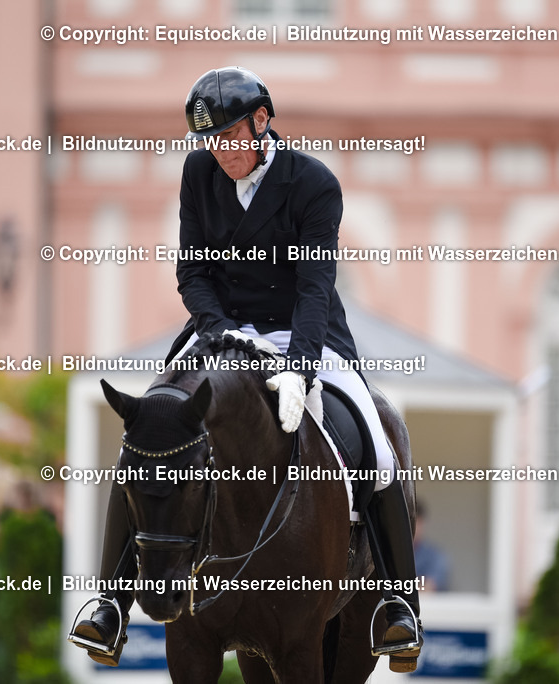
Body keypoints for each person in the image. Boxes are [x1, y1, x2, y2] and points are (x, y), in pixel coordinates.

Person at [72, 66, 423, 667]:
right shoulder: (198, 172)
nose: (223, 152)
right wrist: (215, 330)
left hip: (303, 333)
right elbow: (193, 271)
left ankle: (396, 601)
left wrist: (302, 365)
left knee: (377, 439)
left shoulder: (313, 183)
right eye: (212, 141)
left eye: (233, 136)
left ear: (262, 121)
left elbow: (315, 287)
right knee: (149, 432)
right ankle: (110, 602)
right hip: (221, 330)